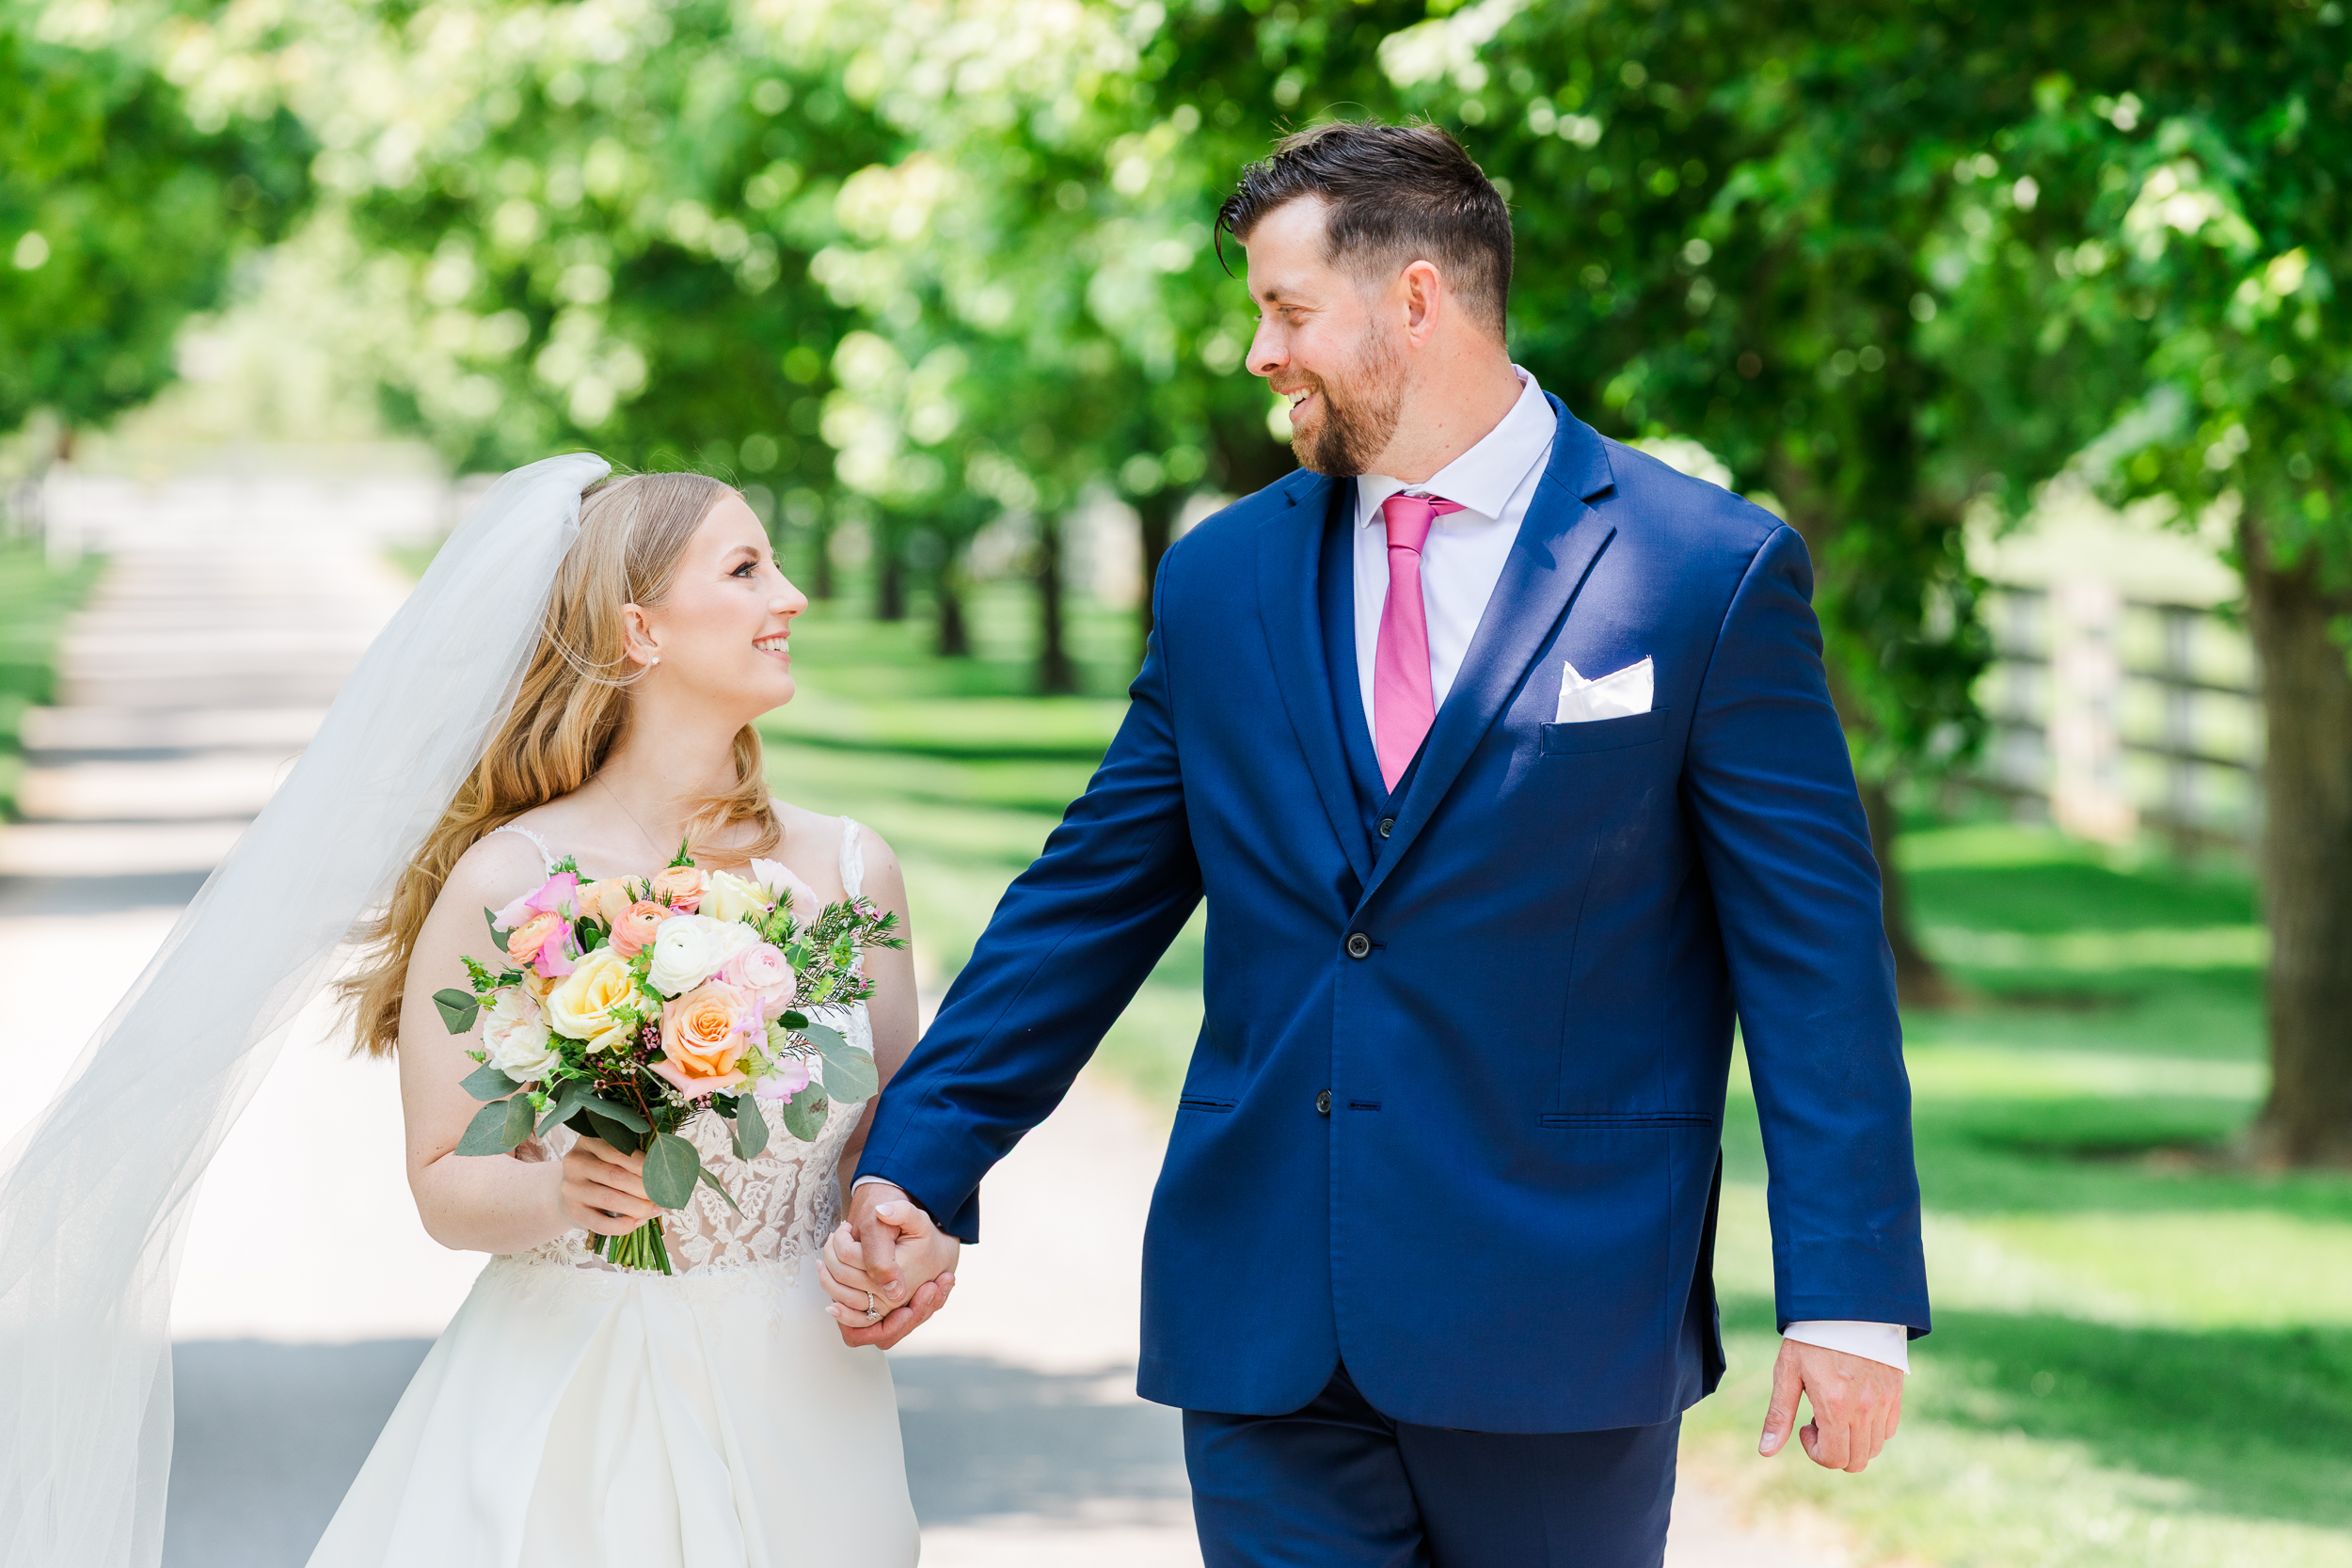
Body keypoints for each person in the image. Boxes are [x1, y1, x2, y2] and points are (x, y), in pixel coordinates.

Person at [827, 121, 1930, 1566]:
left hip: (1560, 1314)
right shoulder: (1222, 578)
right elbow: (1086, 899)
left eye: (1285, 310)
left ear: (1416, 298)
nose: (1258, 354)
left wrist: (1844, 1299)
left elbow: (1815, 959)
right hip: (1264, 1312)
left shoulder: (1700, 573)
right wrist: (920, 1157)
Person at [0, 457, 955, 1565]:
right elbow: (443, 1181)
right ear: (637, 630)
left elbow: (897, 1142)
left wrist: (904, 1240)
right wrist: (561, 1185)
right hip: (573, 1401)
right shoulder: (511, 883)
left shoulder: (848, 869)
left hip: (806, 1392)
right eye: (746, 568)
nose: (790, 595)